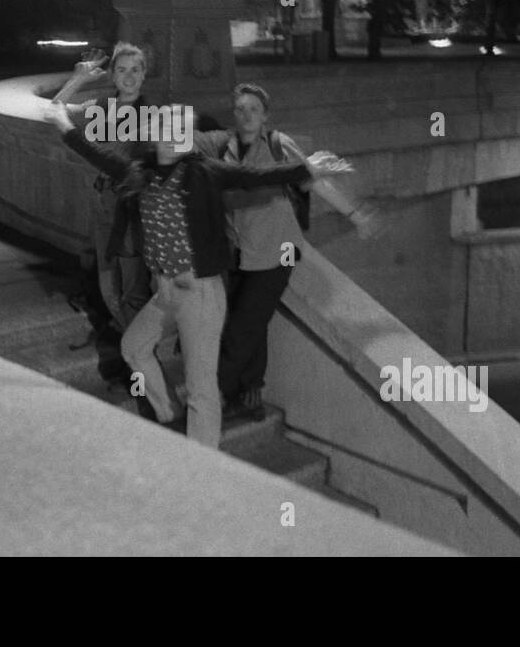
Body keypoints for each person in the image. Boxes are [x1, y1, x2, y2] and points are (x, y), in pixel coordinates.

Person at [43, 98, 348, 449]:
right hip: (166, 291)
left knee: (201, 389)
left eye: (184, 130)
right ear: (158, 134)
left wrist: (308, 169)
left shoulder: (204, 172)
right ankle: (170, 414)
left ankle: (203, 463)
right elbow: (92, 152)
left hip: (199, 293)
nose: (179, 136)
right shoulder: (140, 172)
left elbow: (253, 177)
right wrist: (62, 121)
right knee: (133, 348)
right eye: (172, 129)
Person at [194, 83, 312, 421]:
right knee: (252, 323)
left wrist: (354, 214)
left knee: (241, 329)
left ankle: (207, 395)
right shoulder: (223, 147)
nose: (247, 116)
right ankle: (249, 397)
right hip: (242, 251)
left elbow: (313, 178)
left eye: (254, 110)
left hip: (278, 251)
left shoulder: (278, 143)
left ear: (266, 116)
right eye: (240, 109)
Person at [52, 41, 155, 334]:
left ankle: (138, 353)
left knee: (133, 285)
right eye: (122, 70)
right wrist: (79, 78)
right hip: (103, 201)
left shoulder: (154, 112)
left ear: (144, 74)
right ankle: (132, 342)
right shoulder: (101, 109)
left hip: (133, 208)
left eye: (136, 69)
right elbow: (55, 110)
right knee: (109, 282)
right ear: (112, 75)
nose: (129, 76)